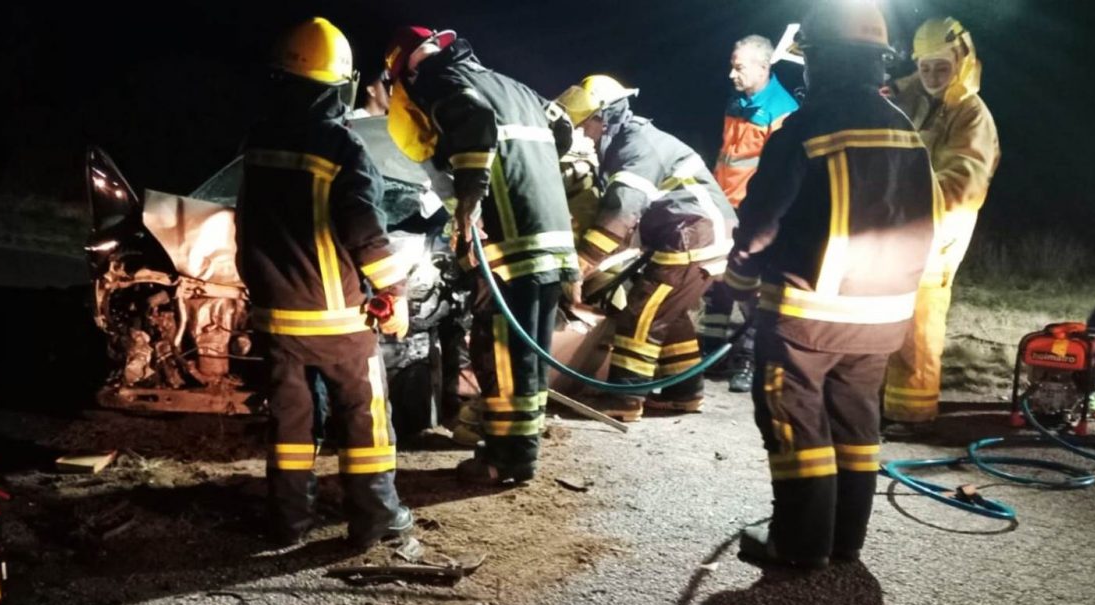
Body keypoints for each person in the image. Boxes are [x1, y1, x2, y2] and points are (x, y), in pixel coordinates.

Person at [722, 0, 939, 568]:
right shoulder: (905, 128)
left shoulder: (807, 127)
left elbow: (761, 223)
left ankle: (798, 545)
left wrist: (738, 278)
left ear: (822, 61)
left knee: (792, 419)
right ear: (876, 62)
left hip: (807, 314)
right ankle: (845, 539)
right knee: (855, 422)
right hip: (884, 316)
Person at [235, 17, 413, 549]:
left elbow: (247, 222)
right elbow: (365, 233)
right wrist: (394, 295)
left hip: (277, 317)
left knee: (291, 423)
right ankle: (375, 520)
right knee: (364, 417)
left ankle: (288, 522)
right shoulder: (342, 147)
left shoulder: (259, 140)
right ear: (341, 85)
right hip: (338, 321)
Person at [383, 26, 578, 484]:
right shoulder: (512, 86)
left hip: (511, 241)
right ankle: (520, 448)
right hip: (550, 236)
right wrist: (528, 173)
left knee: (501, 355)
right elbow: (563, 128)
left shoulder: (442, 82)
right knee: (529, 354)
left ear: (408, 68)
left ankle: (505, 461)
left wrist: (469, 204)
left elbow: (475, 124)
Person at [558, 75, 736, 422]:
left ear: (604, 118)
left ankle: (624, 399)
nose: (580, 133)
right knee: (669, 314)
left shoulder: (636, 148)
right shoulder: (630, 141)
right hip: (694, 237)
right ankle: (684, 393)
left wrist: (584, 261)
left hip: (692, 240)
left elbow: (623, 210)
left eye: (583, 124)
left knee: (641, 315)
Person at [883, 17, 1000, 431]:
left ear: (961, 63)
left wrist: (904, 207)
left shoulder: (972, 115)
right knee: (885, 316)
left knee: (919, 322)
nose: (932, 76)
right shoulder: (913, 100)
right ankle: (881, 404)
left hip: (938, 235)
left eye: (942, 67)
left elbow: (962, 184)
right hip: (897, 227)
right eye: (926, 67)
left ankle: (913, 414)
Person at [702, 35, 800, 393]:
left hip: (754, 212)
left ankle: (748, 358)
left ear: (763, 67)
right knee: (718, 281)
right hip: (724, 205)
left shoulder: (784, 110)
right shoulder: (738, 100)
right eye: (732, 66)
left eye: (739, 67)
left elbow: (781, 173)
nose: (732, 74)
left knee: (752, 289)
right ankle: (711, 350)